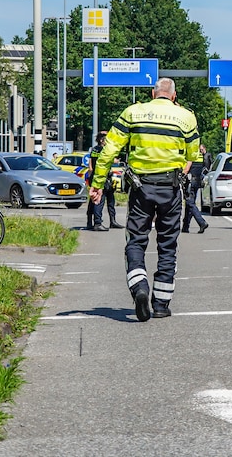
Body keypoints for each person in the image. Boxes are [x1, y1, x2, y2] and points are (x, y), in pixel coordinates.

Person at [89, 78, 200, 322]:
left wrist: (97, 184)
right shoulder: (186, 117)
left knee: (136, 241)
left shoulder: (133, 112)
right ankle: (161, 305)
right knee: (167, 245)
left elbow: (109, 150)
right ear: (173, 95)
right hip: (170, 188)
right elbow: (193, 153)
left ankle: (140, 287)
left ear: (152, 93)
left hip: (141, 188)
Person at [182, 144, 210, 234]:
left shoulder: (190, 154)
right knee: (190, 204)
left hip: (190, 181)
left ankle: (201, 222)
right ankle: (185, 227)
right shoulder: (200, 155)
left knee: (190, 202)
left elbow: (186, 168)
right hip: (197, 181)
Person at [83, 146, 109, 231]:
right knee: (99, 200)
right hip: (100, 177)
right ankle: (98, 223)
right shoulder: (104, 150)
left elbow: (90, 167)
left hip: (92, 177)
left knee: (92, 200)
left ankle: (89, 222)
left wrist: (90, 178)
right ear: (102, 140)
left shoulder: (94, 149)